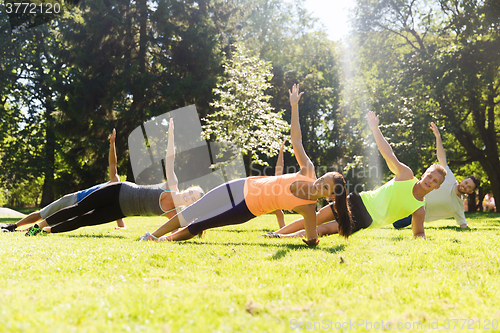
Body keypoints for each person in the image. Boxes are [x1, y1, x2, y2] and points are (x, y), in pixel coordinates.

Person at [139, 84, 352, 246]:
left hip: (246, 208)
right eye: (322, 180)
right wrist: (294, 107)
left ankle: (163, 242)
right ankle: (152, 235)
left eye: (324, 187)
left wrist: (313, 241)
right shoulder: (308, 171)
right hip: (242, 186)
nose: (318, 185)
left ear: (330, 197)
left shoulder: (308, 210)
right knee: (195, 208)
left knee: (200, 223)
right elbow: (297, 140)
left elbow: (312, 236)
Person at [265, 111, 448, 240]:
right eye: (430, 176)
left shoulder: (419, 209)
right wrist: (375, 129)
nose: (429, 181)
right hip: (360, 200)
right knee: (318, 215)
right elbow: (388, 154)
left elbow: (418, 233)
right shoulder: (406, 175)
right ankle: (276, 234)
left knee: (327, 229)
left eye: (434, 181)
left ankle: (281, 237)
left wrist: (422, 240)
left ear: (437, 186)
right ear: (424, 174)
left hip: (366, 219)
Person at [24, 118, 204, 236]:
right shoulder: (171, 185)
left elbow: (181, 230)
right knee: (79, 209)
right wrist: (171, 135)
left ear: (192, 204)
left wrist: (200, 223)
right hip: (118, 190)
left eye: (193, 199)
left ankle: (48, 230)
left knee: (85, 220)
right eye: (191, 193)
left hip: (120, 211)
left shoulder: (173, 214)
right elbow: (170, 159)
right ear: (187, 189)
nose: (189, 196)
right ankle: (37, 226)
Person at [0, 129, 125, 232]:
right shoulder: (116, 182)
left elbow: (118, 218)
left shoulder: (117, 201)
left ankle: (25, 230)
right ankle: (13, 226)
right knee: (43, 213)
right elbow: (113, 164)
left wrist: (121, 227)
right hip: (75, 199)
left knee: (51, 222)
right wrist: (112, 143)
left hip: (81, 209)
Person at [392, 122, 480, 229]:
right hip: (413, 196)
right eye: (466, 183)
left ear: (470, 192)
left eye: (469, 187)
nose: (465, 186)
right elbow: (442, 158)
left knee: (397, 224)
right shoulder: (450, 178)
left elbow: (463, 224)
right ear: (462, 180)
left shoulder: (459, 206)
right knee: (391, 200)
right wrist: (438, 136)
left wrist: (466, 229)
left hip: (417, 214)